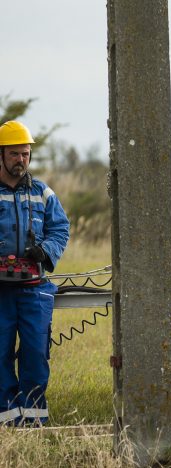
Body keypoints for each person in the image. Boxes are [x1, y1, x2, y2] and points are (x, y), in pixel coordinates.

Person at [0, 121, 69, 426]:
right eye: (14, 154)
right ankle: (7, 420)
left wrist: (46, 251)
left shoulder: (42, 192)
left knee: (35, 356)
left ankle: (34, 422)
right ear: (1, 155)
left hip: (34, 290)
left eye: (26, 154)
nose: (21, 160)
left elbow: (60, 228)